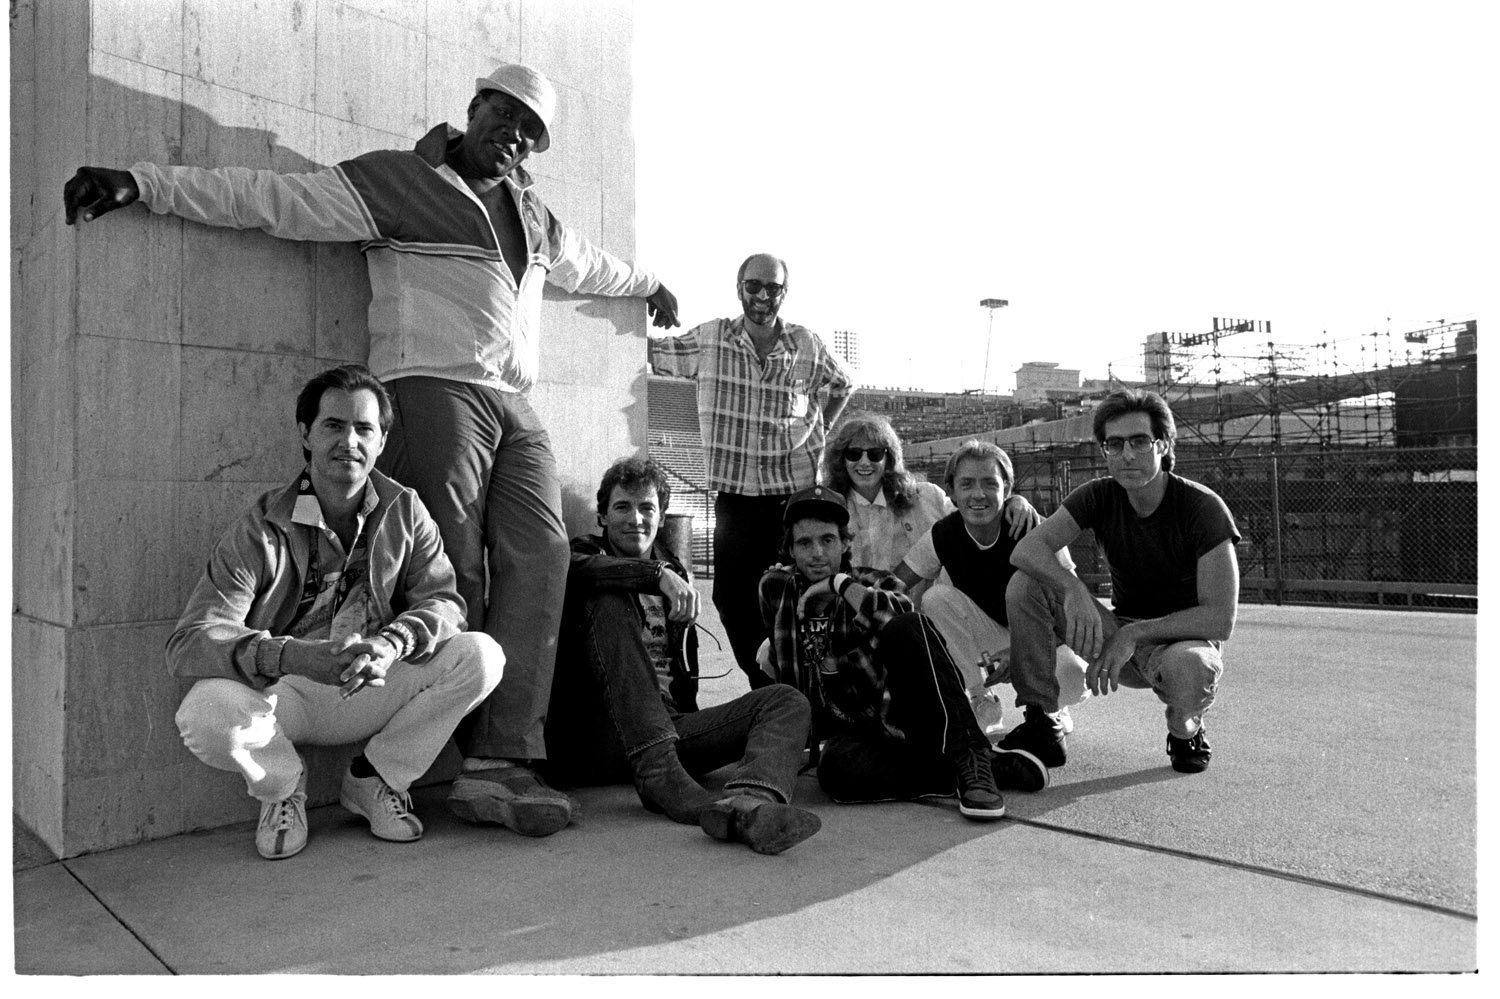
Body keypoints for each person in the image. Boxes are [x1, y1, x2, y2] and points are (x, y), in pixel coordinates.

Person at [65, 63, 678, 836]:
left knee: (546, 551)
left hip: (514, 400)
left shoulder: (534, 215)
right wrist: (144, 182)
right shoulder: (398, 181)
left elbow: (591, 264)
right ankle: (458, 760)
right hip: (427, 386)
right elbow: (273, 200)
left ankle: (503, 753)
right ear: (474, 105)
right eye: (505, 114)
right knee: (458, 563)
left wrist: (650, 282)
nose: (514, 136)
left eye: (531, 131)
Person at [167, 365, 505, 860]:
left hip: (376, 681)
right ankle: (283, 791)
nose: (349, 441)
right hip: (287, 697)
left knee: (482, 655)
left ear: (382, 440)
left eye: (364, 428)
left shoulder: (405, 510)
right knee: (204, 712)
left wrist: (393, 644)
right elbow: (192, 640)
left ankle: (374, 779)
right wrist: (293, 656)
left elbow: (445, 602)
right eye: (333, 425)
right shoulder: (261, 527)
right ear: (306, 433)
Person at [542, 457, 820, 855]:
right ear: (602, 516)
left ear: (660, 516)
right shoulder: (584, 557)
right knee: (608, 599)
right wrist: (653, 575)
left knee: (786, 701)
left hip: (671, 734)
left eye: (647, 508)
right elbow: (576, 568)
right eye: (622, 507)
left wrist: (665, 573)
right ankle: (658, 774)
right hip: (601, 737)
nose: (635, 519)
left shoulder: (674, 569)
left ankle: (748, 802)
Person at [758, 486, 1050, 818]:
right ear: (791, 550)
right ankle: (977, 768)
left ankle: (970, 754)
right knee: (837, 772)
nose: (817, 554)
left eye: (827, 540)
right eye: (804, 543)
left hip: (908, 719)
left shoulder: (873, 581)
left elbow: (898, 613)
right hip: (858, 731)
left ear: (844, 543)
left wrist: (838, 586)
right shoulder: (775, 589)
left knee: (910, 624)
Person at [1000, 389, 1240, 773]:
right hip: (1115, 637)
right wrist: (1073, 588)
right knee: (1026, 584)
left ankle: (1185, 729)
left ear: (1162, 444)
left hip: (1178, 644)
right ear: (1105, 451)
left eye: (1140, 441)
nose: (1128, 454)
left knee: (1191, 666)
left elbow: (1219, 619)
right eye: (1115, 444)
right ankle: (1042, 720)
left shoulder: (1202, 507)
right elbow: (1026, 551)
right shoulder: (1099, 495)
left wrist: (1135, 635)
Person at [649, 254, 853, 688]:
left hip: (792, 497)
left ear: (785, 291)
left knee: (808, 596)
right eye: (754, 285)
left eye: (772, 288)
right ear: (739, 287)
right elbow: (648, 351)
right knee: (731, 598)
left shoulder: (807, 345)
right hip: (736, 499)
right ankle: (771, 688)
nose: (762, 296)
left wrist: (825, 425)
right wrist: (642, 291)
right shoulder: (710, 339)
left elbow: (842, 384)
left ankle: (821, 690)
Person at [894, 440, 1089, 737]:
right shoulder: (944, 534)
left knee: (1073, 677)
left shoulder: (1034, 528)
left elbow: (1073, 604)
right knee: (934, 598)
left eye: (989, 483)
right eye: (967, 484)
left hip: (1044, 637)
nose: (978, 494)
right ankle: (980, 698)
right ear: (954, 492)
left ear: (1007, 489)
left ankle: (1052, 707)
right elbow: (895, 583)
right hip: (990, 638)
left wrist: (1024, 652)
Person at [822, 411, 1037, 592]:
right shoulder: (830, 508)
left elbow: (975, 510)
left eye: (875, 454)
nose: (864, 462)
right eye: (854, 454)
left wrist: (1015, 502)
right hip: (856, 616)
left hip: (925, 618)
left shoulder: (926, 497)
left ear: (889, 458)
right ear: (841, 458)